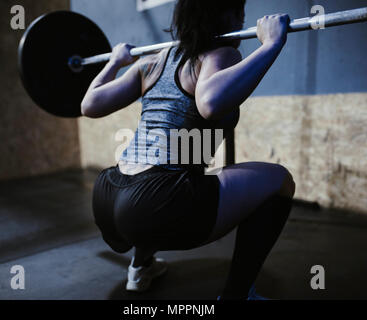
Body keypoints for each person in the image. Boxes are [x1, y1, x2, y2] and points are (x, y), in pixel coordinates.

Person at [81, 0, 295, 300]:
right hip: (155, 202)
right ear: (227, 14)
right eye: (240, 11)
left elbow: (89, 104)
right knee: (279, 180)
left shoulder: (152, 62)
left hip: (108, 193)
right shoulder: (221, 54)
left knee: (163, 184)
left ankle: (140, 268)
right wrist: (272, 44)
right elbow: (210, 103)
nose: (243, 18)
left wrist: (114, 62)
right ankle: (237, 296)